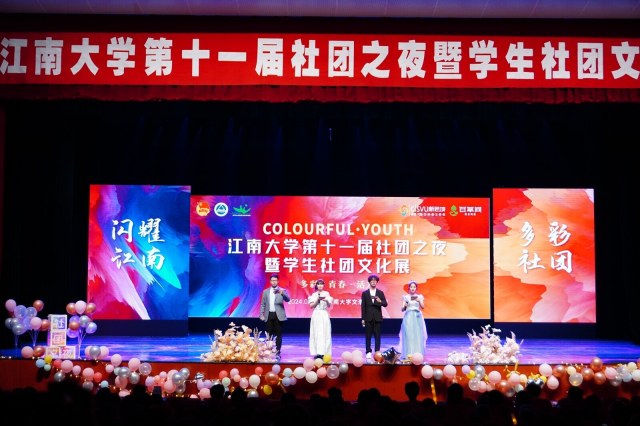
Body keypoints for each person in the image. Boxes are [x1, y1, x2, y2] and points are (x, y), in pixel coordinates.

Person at [259, 273, 290, 360]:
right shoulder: (266, 291)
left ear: (278, 281)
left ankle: (278, 352)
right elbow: (263, 304)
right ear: (270, 281)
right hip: (269, 314)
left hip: (278, 315)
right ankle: (268, 351)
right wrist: (261, 314)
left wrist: (282, 293)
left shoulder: (282, 290)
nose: (274, 282)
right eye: (272, 280)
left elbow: (288, 299)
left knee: (278, 334)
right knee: (268, 334)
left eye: (275, 280)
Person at [398, 280, 427, 359]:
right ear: (409, 288)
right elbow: (402, 309)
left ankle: (417, 354)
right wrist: (405, 305)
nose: (413, 288)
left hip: (417, 317)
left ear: (416, 288)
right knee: (409, 335)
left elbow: (423, 307)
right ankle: (408, 354)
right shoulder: (406, 297)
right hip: (408, 317)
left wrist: (419, 301)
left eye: (414, 287)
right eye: (411, 287)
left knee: (417, 335)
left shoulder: (419, 296)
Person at [360, 274, 388, 360]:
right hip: (368, 317)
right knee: (368, 336)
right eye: (372, 281)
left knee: (377, 336)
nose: (373, 282)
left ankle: (377, 352)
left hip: (377, 317)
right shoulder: (365, 293)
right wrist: (363, 318)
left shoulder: (380, 292)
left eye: (375, 281)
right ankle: (368, 351)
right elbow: (363, 306)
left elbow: (385, 304)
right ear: (369, 282)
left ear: (377, 282)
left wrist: (380, 301)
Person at [308, 278, 333, 360]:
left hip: (324, 314)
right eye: (318, 284)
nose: (320, 285)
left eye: (321, 284)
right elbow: (311, 306)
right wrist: (317, 300)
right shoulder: (314, 294)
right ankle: (317, 352)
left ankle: (325, 352)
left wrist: (326, 300)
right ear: (316, 285)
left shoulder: (327, 293)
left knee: (325, 333)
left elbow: (329, 305)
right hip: (316, 314)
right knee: (316, 333)